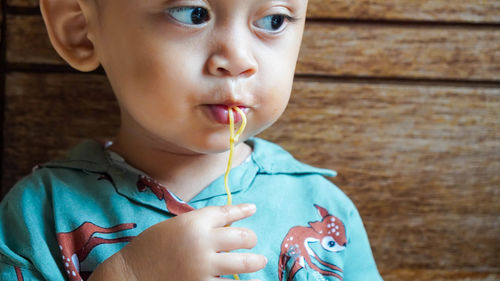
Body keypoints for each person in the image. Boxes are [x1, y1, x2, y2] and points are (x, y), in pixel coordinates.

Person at [0, 0, 383, 280]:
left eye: (273, 20)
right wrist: (130, 275)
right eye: (192, 13)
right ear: (80, 28)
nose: (237, 59)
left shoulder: (325, 212)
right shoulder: (39, 216)